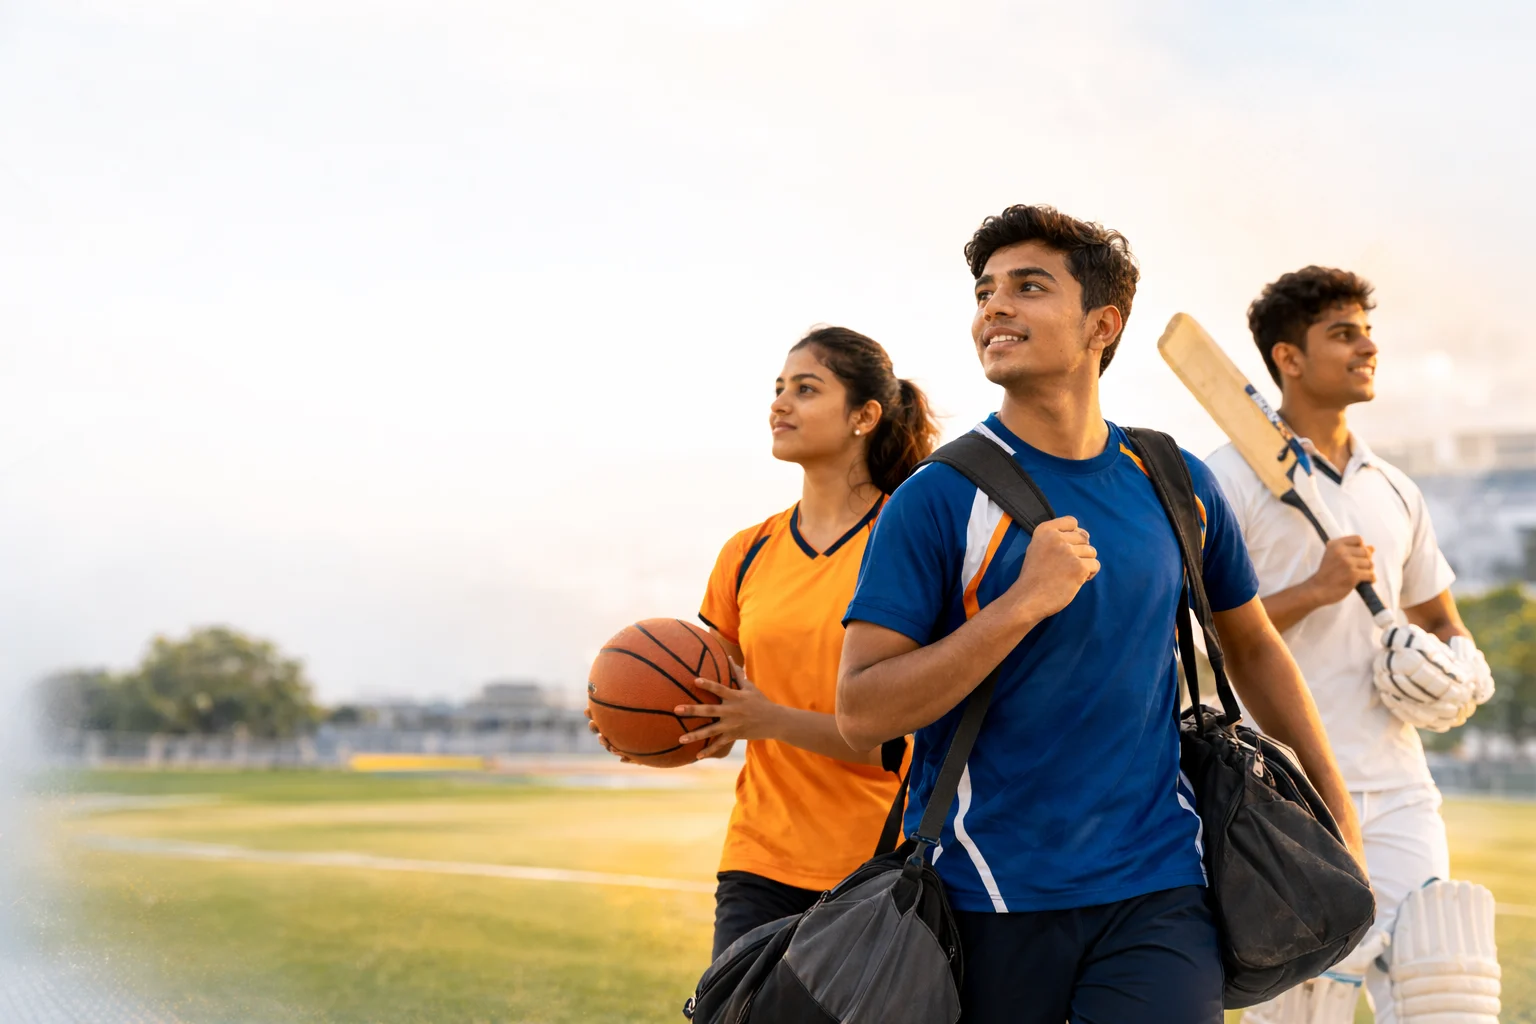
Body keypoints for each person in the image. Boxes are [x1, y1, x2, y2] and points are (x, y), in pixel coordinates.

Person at [834, 205, 1365, 1024]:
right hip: (986, 893)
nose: (994, 306)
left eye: (1028, 287)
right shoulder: (936, 499)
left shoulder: (1174, 479)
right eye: (984, 292)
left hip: (1161, 883)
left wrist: (1335, 806)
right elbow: (861, 712)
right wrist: (1020, 606)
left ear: (1102, 325)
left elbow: (1254, 647)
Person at [1206, 267, 1498, 1024]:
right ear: (1288, 358)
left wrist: (1457, 663)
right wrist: (1316, 588)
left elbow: (1439, 615)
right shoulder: (1224, 480)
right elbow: (1200, 640)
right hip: (1281, 787)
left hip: (1398, 786)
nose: (1367, 348)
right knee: (1302, 1008)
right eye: (1343, 334)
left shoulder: (1395, 487)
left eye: (1367, 333)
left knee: (1448, 991)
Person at [591, 326, 939, 961]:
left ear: (864, 416)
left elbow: (902, 745)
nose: (780, 403)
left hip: (879, 861)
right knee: (729, 1007)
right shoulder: (747, 552)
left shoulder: (906, 540)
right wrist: (641, 725)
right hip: (760, 857)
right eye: (779, 388)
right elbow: (717, 712)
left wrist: (769, 720)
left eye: (806, 389)